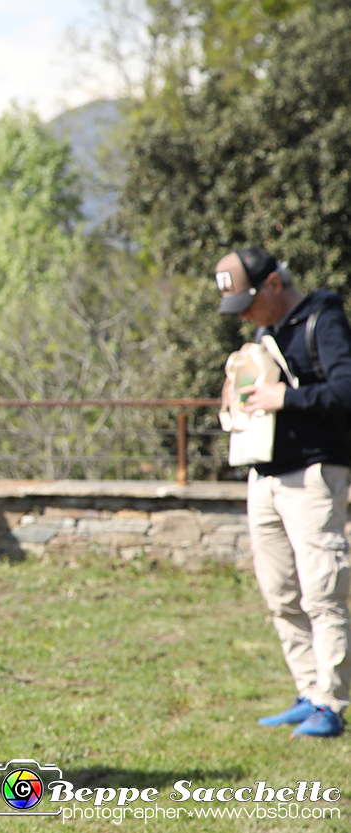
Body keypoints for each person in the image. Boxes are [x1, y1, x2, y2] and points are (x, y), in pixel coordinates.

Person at [215, 246, 351, 739]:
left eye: (249, 303)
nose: (245, 316)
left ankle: (332, 705)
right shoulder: (265, 332)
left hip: (313, 475)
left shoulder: (323, 320)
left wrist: (286, 398)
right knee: (280, 593)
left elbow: (346, 389)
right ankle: (308, 692)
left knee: (323, 592)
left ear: (274, 283)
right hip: (264, 476)